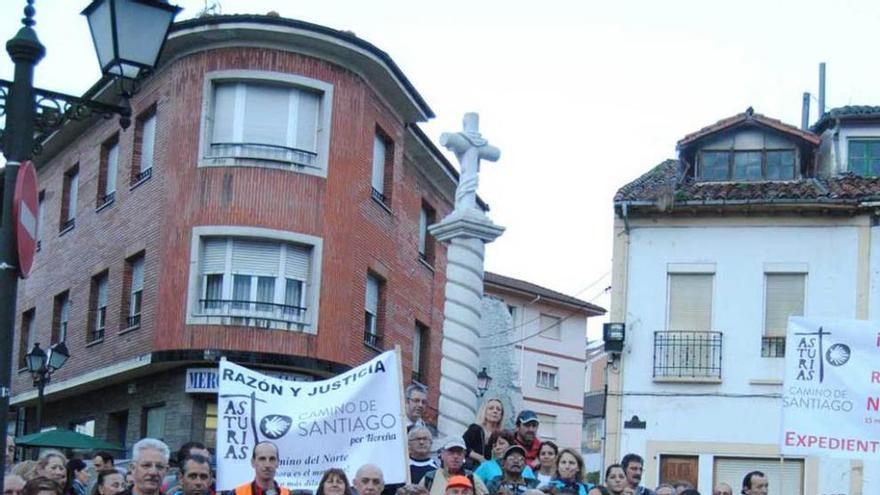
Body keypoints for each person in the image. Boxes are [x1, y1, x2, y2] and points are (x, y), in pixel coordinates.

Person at [420, 438, 487, 495]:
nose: (455, 456)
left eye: (459, 453)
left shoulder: (472, 478)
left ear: (464, 455)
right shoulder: (429, 478)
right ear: (442, 454)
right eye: (451, 452)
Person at [463, 399, 504, 469]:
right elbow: (462, 446)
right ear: (484, 412)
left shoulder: (502, 435)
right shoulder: (475, 429)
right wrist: (479, 457)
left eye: (498, 409)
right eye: (491, 408)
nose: (495, 411)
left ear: (501, 415)